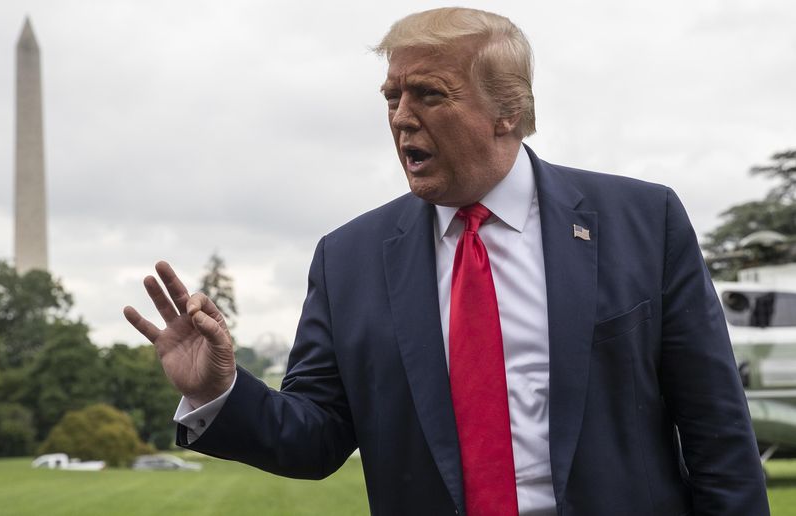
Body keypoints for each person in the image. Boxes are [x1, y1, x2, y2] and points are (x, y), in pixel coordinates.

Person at [123, 8, 769, 516]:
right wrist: (218, 391)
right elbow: (316, 438)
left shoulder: (640, 220)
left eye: (428, 94)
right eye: (391, 97)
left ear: (506, 112)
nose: (401, 118)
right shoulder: (348, 258)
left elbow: (716, 431)